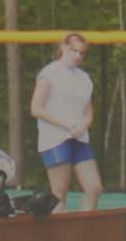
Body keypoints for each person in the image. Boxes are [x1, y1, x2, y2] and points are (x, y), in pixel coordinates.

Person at [30, 29, 103, 210]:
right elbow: (36, 108)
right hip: (55, 139)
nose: (78, 56)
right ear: (63, 48)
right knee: (59, 192)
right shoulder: (49, 73)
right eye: (74, 50)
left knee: (94, 188)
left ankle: (84, 234)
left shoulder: (84, 78)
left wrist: (83, 125)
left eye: (81, 53)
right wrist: (66, 124)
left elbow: (88, 113)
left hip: (79, 138)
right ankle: (59, 237)